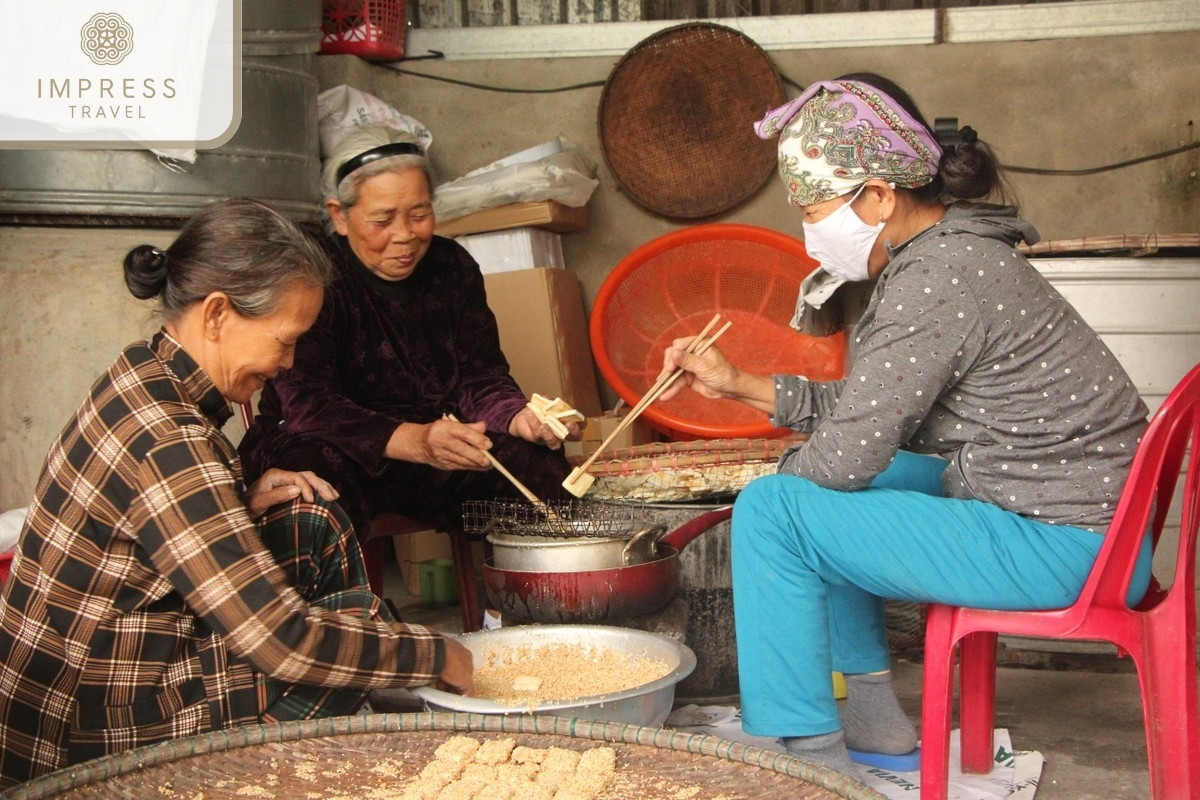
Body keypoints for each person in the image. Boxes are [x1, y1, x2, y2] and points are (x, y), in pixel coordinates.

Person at [657, 73, 1151, 776]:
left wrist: (772, 496)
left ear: (881, 196)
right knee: (835, 484)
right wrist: (739, 385)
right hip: (1084, 521)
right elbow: (872, 414)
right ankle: (872, 718)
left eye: (814, 207)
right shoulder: (955, 252)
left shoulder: (937, 278)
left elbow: (845, 455)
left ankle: (810, 762)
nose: (808, 229)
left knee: (775, 508)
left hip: (1064, 542)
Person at [0, 199, 472, 790]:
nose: (290, 362)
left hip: (104, 670)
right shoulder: (168, 438)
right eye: (285, 340)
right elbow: (281, 641)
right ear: (218, 314)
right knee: (334, 654)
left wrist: (236, 502)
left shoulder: (145, 374)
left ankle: (359, 706)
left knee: (310, 521)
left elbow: (144, 534)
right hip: (82, 728)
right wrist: (434, 654)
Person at [237, 125, 579, 549]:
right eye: (383, 219)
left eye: (419, 215)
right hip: (332, 445)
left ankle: (524, 604)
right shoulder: (313, 277)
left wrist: (517, 416)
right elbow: (310, 407)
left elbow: (481, 376)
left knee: (537, 465)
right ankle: (338, 612)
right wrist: (416, 441)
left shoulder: (452, 268)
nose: (405, 235)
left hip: (434, 445)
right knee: (310, 484)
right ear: (339, 216)